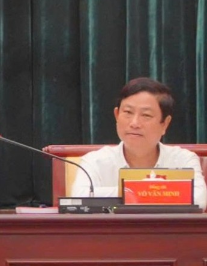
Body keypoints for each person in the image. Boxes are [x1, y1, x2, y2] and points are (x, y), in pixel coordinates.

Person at [68, 77, 206, 207]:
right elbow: (79, 198)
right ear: (117, 115)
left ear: (165, 123)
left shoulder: (183, 160)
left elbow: (199, 200)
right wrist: (146, 191)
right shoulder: (94, 161)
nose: (134, 123)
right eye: (128, 112)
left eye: (146, 115)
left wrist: (132, 192)